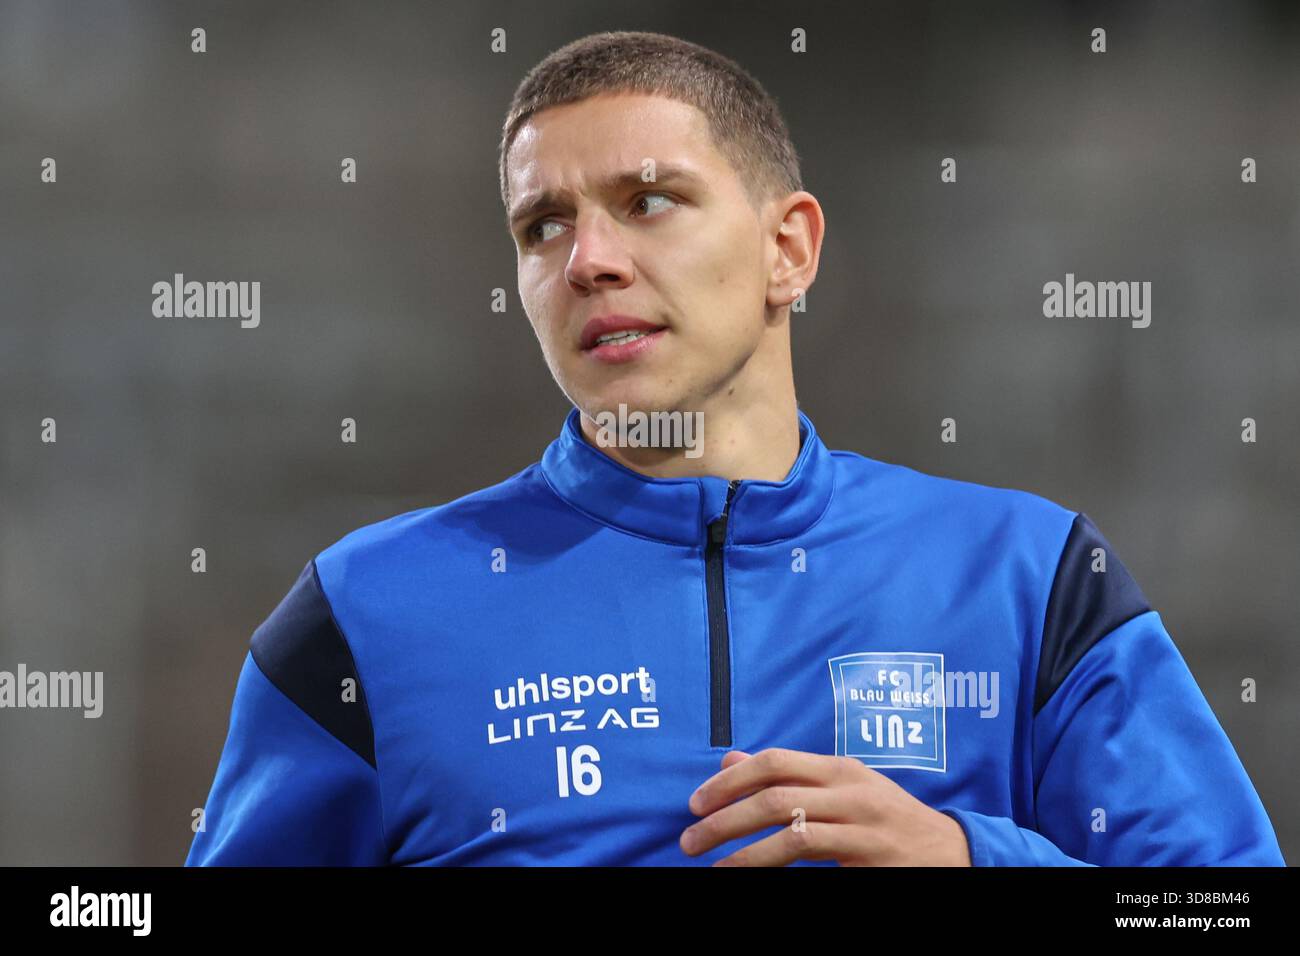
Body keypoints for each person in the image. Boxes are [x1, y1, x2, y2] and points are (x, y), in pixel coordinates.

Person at [186, 30, 1285, 866]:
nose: (589, 260)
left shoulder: (1031, 574)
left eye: (648, 200)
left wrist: (966, 854)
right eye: (544, 225)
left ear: (787, 248)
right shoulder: (363, 610)